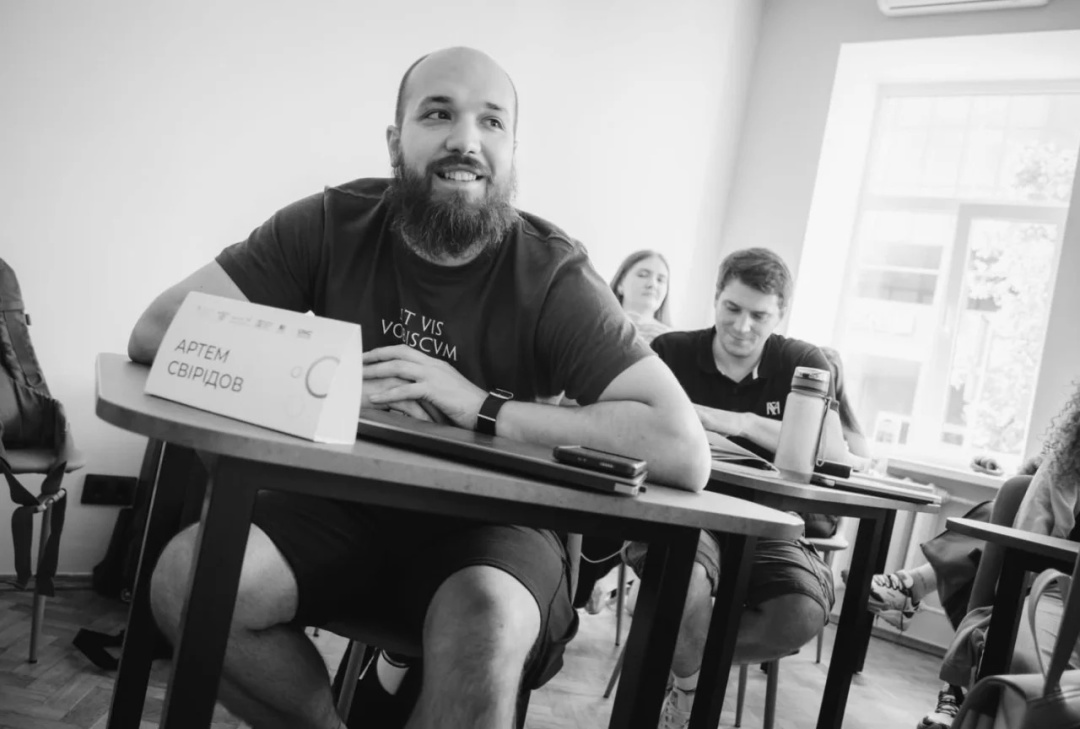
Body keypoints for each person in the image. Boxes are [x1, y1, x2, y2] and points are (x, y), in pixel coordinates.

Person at [127, 47, 711, 729]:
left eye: (492, 122)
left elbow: (681, 447)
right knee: (189, 583)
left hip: (500, 525)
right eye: (438, 114)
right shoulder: (331, 222)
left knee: (487, 631)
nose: (466, 140)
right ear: (394, 141)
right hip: (341, 504)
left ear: (512, 152)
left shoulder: (553, 273)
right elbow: (158, 331)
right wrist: (333, 382)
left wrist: (481, 407)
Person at [624, 247, 842, 729]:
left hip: (769, 526)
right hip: (681, 511)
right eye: (732, 308)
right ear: (716, 297)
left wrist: (736, 421)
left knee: (802, 613)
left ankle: (676, 657)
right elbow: (629, 422)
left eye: (759, 316)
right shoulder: (671, 352)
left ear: (780, 314)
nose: (742, 326)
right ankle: (689, 696)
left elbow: (828, 448)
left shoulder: (803, 362)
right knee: (684, 583)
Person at [912, 382, 1080, 729]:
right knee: (998, 510)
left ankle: (911, 584)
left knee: (987, 518)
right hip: (1058, 589)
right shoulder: (1061, 470)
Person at [611, 249, 672, 344]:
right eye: (643, 275)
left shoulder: (673, 341)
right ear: (620, 283)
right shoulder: (598, 329)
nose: (652, 284)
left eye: (660, 280)